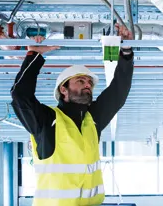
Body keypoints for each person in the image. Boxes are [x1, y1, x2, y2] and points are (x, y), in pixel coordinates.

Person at [11, 23, 135, 206]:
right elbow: (20, 96)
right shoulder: (47, 121)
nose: (87, 85)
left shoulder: (91, 121)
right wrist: (34, 56)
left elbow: (118, 91)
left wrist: (126, 51)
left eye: (90, 83)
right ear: (64, 89)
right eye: (80, 81)